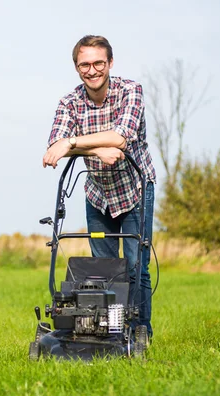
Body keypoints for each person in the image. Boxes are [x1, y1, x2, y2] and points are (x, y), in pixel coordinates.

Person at [42, 35, 156, 338]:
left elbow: (120, 137)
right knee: (104, 269)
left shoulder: (130, 91)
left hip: (134, 192)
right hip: (97, 195)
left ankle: (139, 332)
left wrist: (74, 142)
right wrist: (95, 150)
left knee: (135, 268)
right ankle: (109, 333)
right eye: (84, 65)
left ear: (110, 63)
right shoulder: (69, 102)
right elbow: (54, 147)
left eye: (98, 63)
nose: (91, 70)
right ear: (77, 67)